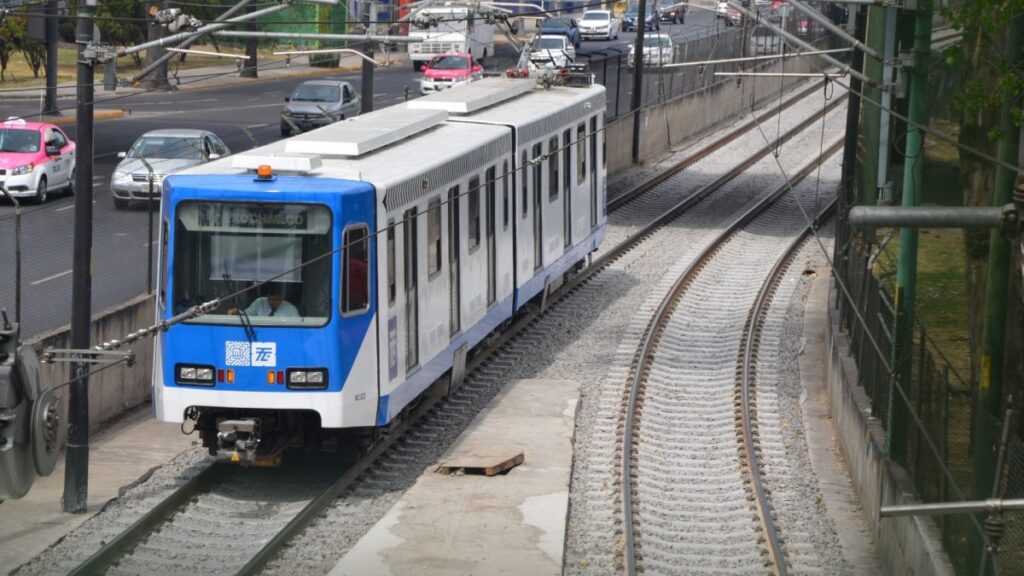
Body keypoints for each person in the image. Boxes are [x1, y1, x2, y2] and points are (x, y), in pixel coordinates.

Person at [229, 285, 299, 318]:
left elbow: (297, 326)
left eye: (275, 300)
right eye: (269, 299)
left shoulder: (291, 309)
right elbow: (247, 315)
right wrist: (237, 312)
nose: (271, 302)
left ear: (281, 299)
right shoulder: (260, 302)